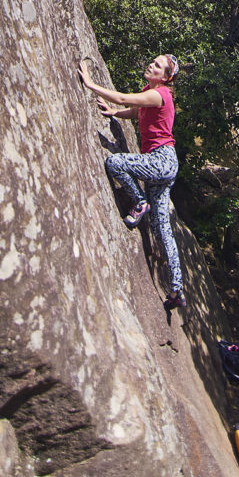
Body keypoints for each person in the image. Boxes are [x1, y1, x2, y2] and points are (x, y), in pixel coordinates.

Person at [77, 53, 185, 312]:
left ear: (166, 77)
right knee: (161, 229)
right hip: (164, 164)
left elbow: (126, 97)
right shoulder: (151, 90)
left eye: (158, 66)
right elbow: (135, 110)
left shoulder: (161, 95)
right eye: (153, 61)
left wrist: (90, 84)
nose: (151, 65)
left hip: (161, 160)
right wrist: (115, 113)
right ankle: (176, 290)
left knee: (115, 163)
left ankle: (139, 201)